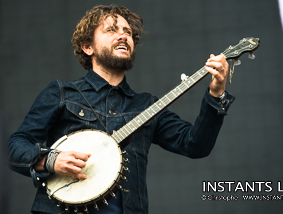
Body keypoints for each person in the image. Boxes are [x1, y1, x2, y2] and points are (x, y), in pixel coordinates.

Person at [7, 5, 235, 214]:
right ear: (88, 47)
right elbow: (15, 146)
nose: (123, 35)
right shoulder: (61, 93)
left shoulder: (148, 106)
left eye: (127, 32)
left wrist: (216, 94)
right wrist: (50, 160)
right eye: (111, 30)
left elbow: (195, 145)